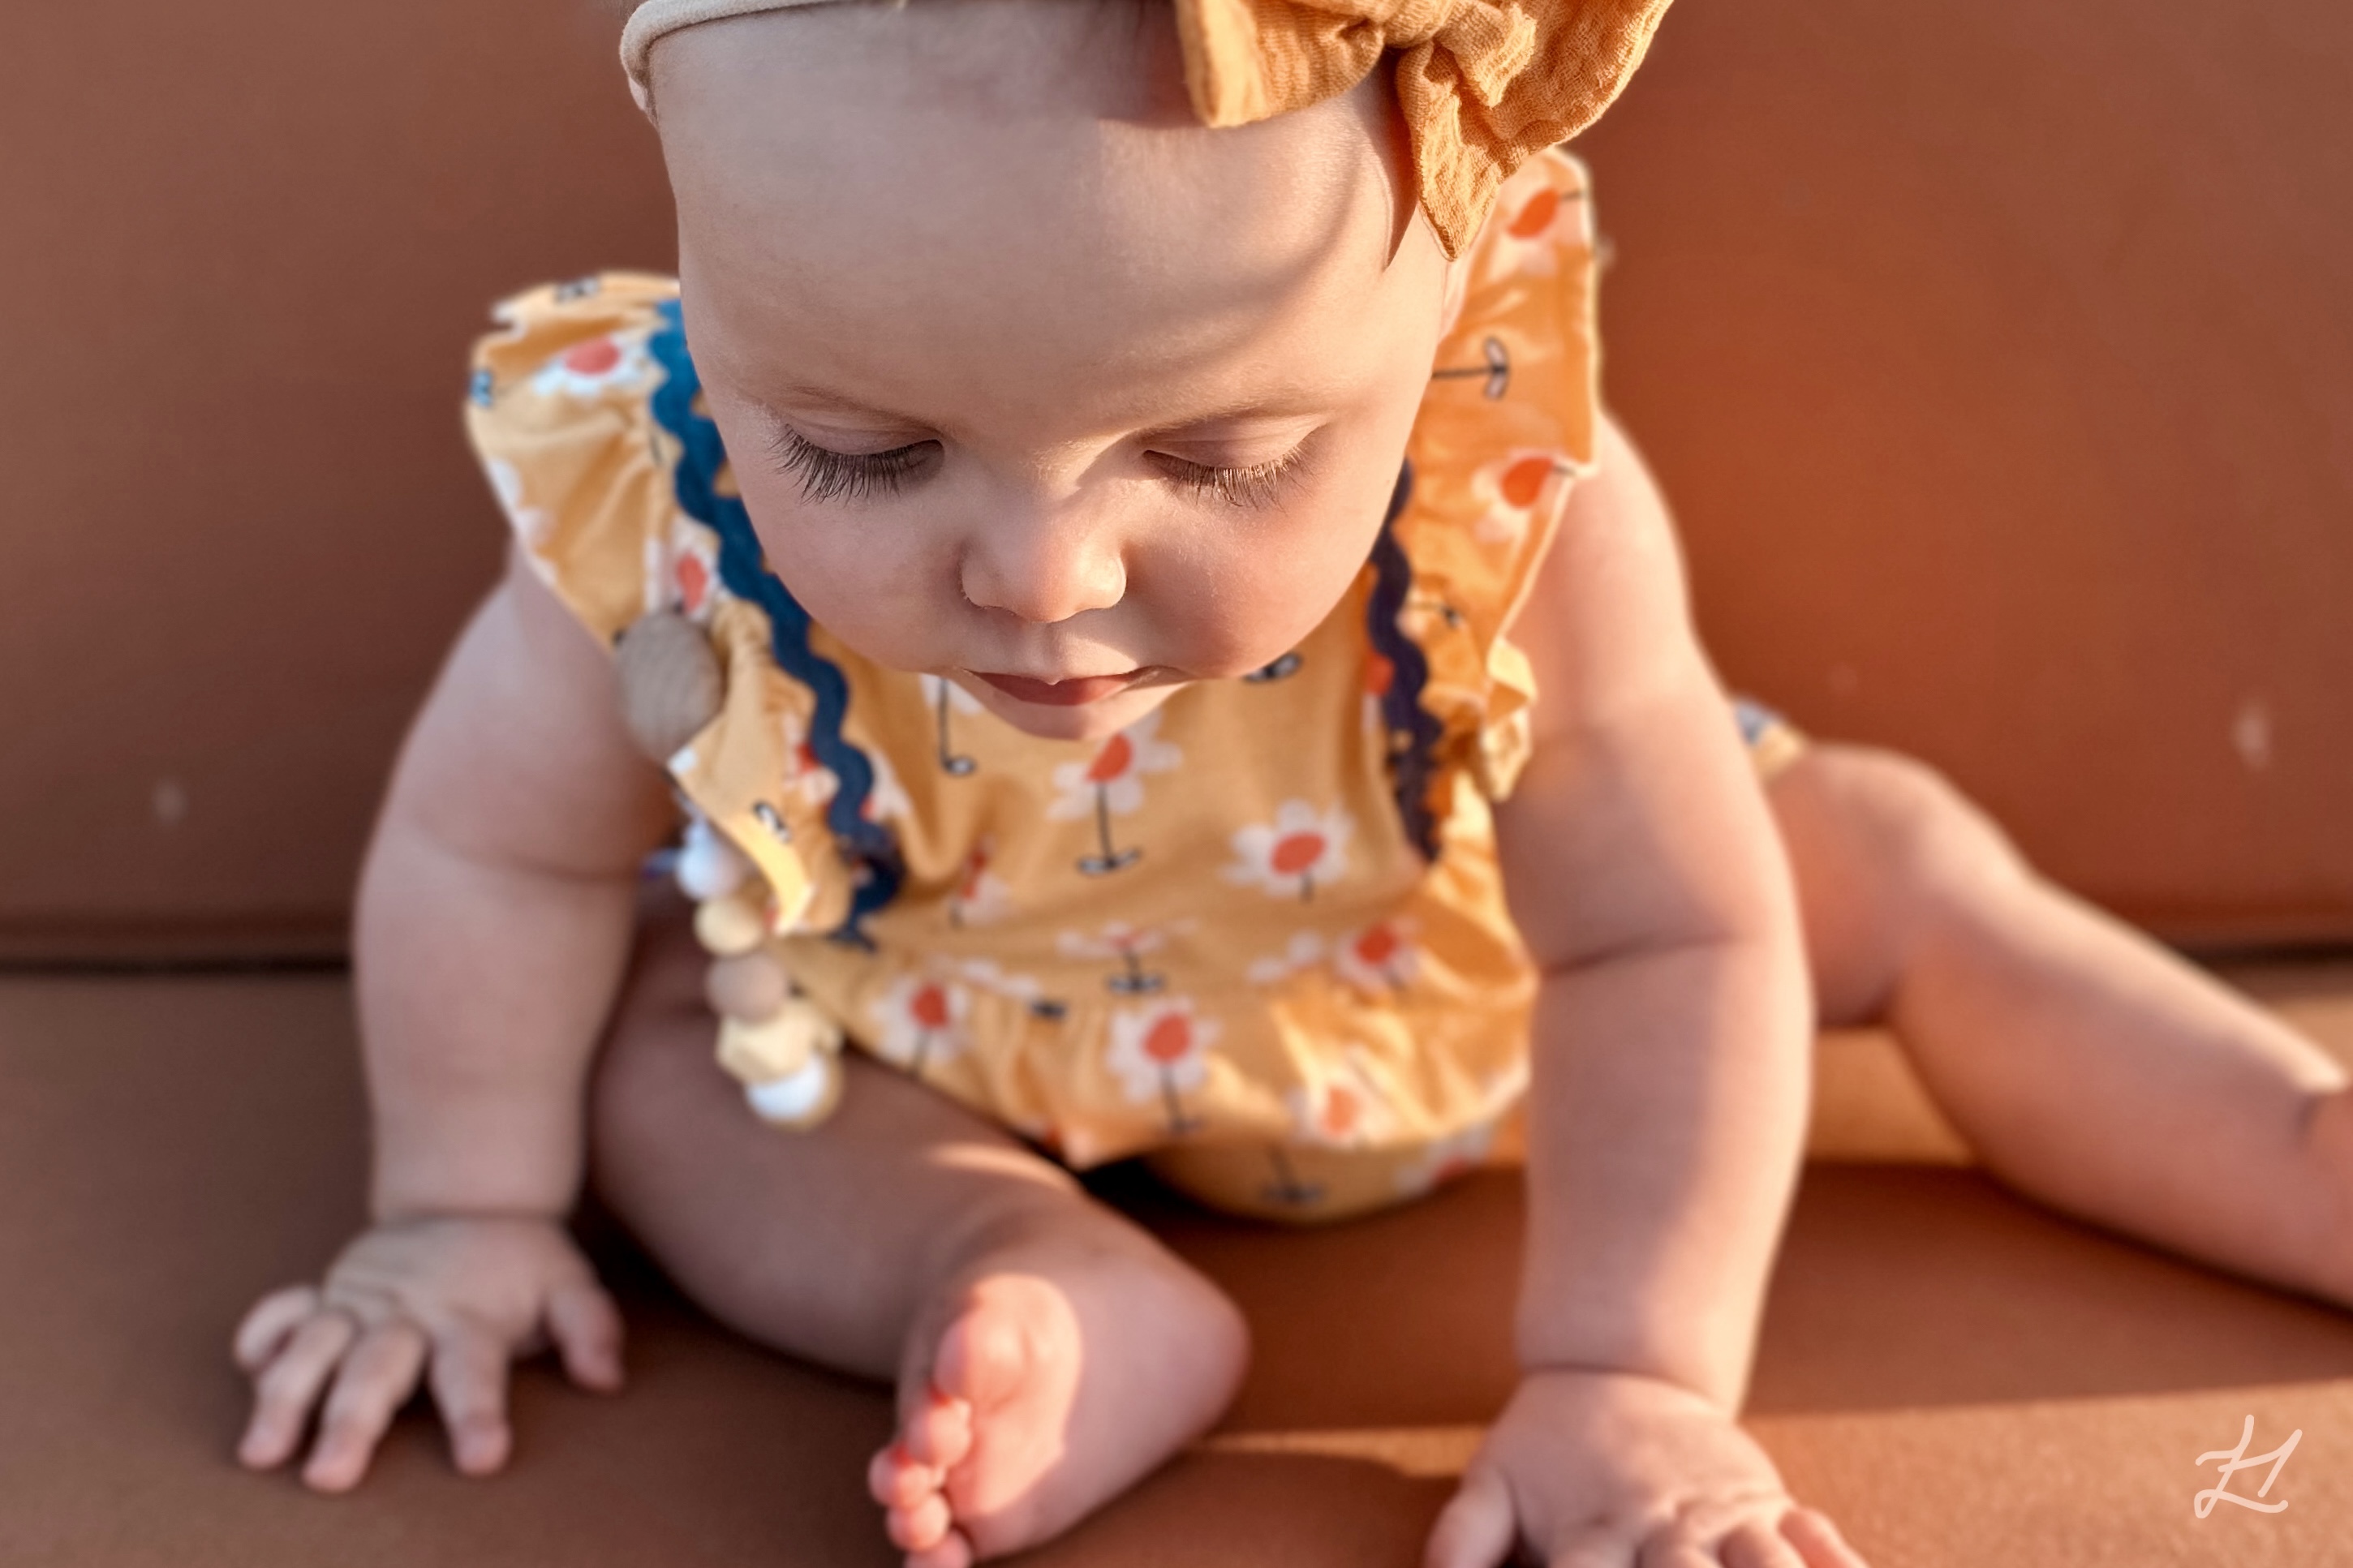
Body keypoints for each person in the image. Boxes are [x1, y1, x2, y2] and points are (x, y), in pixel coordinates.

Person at [227, 2, 2353, 1566]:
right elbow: (491, 852)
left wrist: (1627, 1368)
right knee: (669, 1067)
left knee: (1865, 862)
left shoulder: (1512, 504)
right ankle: (1010, 1278)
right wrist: (458, 1212)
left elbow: (1665, 927)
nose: (1037, 575)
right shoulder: (650, 509)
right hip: (934, 1024)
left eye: (1211, 454)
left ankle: (2276, 1136)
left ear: (1446, 299)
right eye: (864, 451)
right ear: (716, 290)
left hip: (1484, 980)